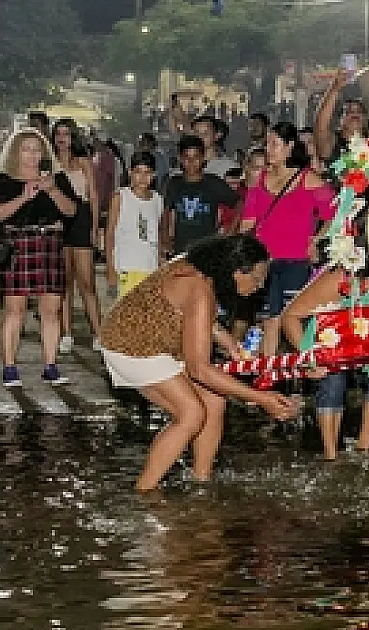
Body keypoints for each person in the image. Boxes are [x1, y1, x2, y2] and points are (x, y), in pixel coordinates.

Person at [98, 234, 298, 491]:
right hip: (129, 345)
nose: (259, 287)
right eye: (257, 279)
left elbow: (190, 312)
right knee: (190, 414)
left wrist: (224, 338)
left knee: (214, 400)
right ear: (236, 272)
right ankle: (144, 491)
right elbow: (199, 370)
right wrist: (261, 398)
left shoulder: (201, 266)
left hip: (152, 338)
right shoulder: (199, 288)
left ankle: (201, 480)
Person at [281, 191, 369, 460]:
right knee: (332, 379)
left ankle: (363, 449)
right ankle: (330, 456)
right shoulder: (341, 278)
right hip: (333, 342)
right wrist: (309, 357)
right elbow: (290, 316)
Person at [0, 129, 80, 388]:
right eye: (26, 149)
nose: (32, 154)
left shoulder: (56, 178)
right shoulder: (5, 181)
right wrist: (22, 198)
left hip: (49, 244)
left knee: (51, 310)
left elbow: (72, 210)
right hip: (18, 244)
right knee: (14, 310)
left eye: (37, 149)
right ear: (15, 152)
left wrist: (53, 190)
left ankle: (50, 366)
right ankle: (9, 367)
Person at [238, 122, 334, 357]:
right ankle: (269, 373)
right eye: (267, 144)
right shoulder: (260, 180)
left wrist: (317, 239)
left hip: (297, 261)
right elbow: (247, 222)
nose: (269, 149)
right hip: (265, 262)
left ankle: (303, 371)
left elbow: (335, 214)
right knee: (269, 320)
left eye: (275, 144)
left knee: (293, 319)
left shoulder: (308, 179)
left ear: (290, 146)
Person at [51, 119, 102, 354]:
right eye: (58, 133)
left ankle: (98, 333)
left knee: (87, 282)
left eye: (66, 134)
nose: (62, 138)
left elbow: (93, 197)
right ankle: (66, 333)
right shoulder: (50, 164)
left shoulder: (83, 162)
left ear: (73, 137)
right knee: (65, 282)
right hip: (59, 220)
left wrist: (94, 228)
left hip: (81, 218)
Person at [105, 151, 166, 298]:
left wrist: (160, 262)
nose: (142, 177)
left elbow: (157, 234)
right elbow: (110, 235)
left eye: (147, 173)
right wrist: (111, 271)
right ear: (130, 172)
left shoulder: (158, 200)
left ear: (154, 175)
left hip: (150, 270)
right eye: (138, 172)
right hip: (126, 269)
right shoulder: (121, 197)